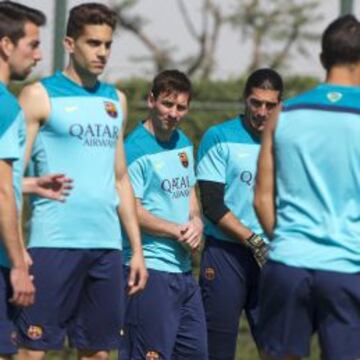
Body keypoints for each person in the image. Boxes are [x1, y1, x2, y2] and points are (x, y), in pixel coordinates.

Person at [15, 3, 147, 360]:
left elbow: (120, 178)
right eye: (93, 43)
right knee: (33, 350)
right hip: (53, 243)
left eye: (107, 44)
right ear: (70, 44)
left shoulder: (115, 100)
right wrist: (16, 248)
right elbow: (9, 176)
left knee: (99, 352)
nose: (102, 52)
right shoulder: (38, 95)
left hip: (105, 247)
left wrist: (135, 249)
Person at [254, 15, 360, 360]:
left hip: (288, 263)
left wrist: (286, 240)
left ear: (321, 59)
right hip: (348, 267)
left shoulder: (282, 114)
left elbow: (261, 199)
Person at [120, 70, 207, 360]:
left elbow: (190, 195)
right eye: (167, 104)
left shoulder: (183, 142)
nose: (173, 113)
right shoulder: (133, 149)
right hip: (150, 271)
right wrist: (176, 231)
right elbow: (130, 210)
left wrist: (196, 221)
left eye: (181, 107)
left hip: (183, 273)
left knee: (196, 354)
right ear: (151, 100)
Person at [197, 68, 283, 360]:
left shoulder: (288, 143)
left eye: (270, 105)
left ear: (280, 105)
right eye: (256, 103)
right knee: (217, 352)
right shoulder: (219, 137)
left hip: (273, 259)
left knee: (278, 350)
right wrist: (253, 240)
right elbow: (211, 204)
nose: (262, 111)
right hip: (226, 256)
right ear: (245, 100)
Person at [0, 2, 46, 359]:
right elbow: (1, 190)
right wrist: (17, 262)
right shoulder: (7, 108)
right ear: (6, 45)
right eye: (32, 44)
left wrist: (27, 185)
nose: (39, 55)